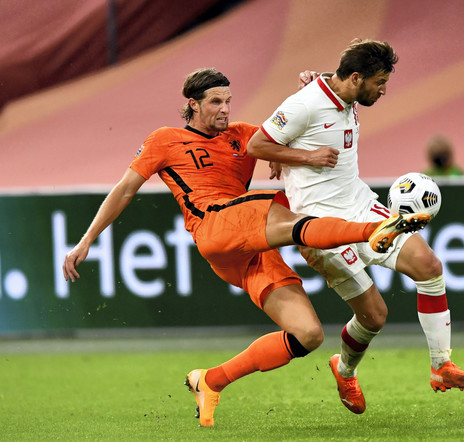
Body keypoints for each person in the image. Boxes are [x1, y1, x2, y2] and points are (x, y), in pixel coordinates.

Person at [61, 67, 430, 427]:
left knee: (308, 335)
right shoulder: (165, 139)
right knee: (295, 222)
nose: (225, 109)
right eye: (216, 102)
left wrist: (315, 85)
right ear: (193, 104)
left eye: (229, 101)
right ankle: (376, 229)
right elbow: (125, 189)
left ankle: (211, 381)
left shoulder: (242, 135)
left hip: (245, 246)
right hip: (215, 225)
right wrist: (86, 240)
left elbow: (291, 131)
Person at [247, 39, 464, 415]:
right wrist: (303, 155)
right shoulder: (305, 102)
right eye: (379, 82)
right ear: (356, 78)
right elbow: (256, 145)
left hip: (359, 204)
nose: (383, 90)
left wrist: (295, 136)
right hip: (319, 224)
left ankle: (441, 367)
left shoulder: (342, 91)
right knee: (374, 316)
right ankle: (344, 371)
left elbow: (337, 72)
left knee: (429, 266)